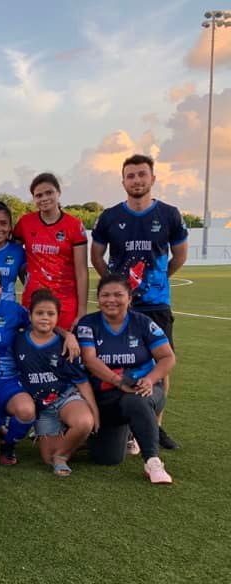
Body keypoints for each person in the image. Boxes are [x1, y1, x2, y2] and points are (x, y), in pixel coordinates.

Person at [90, 153, 188, 451]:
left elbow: (179, 256)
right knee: (116, 361)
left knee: (160, 364)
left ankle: (153, 427)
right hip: (120, 307)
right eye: (130, 176)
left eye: (142, 174)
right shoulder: (109, 217)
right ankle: (119, 421)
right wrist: (117, 289)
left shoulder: (169, 214)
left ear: (152, 178)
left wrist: (158, 280)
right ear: (123, 182)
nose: (136, 180)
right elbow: (97, 257)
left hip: (156, 305)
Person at [0, 266, 79, 468]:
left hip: (8, 383)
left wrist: (67, 334)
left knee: (26, 410)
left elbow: (41, 322)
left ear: (1, 288)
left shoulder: (14, 310)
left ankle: (9, 446)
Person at [76, 275, 176, 483]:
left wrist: (149, 380)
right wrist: (118, 381)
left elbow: (167, 357)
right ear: (98, 298)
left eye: (118, 295)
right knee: (107, 458)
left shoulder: (142, 322)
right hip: (106, 395)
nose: (111, 300)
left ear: (129, 298)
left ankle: (152, 462)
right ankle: (129, 431)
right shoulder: (88, 324)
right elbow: (89, 360)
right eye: (105, 295)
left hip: (142, 390)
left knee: (135, 401)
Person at [14, 289, 98, 476]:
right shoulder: (18, 339)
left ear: (58, 317)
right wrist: (67, 333)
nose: (45, 318)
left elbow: (82, 381)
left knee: (84, 422)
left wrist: (95, 413)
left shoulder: (65, 344)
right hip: (42, 408)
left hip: (65, 398)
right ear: (30, 315)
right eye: (39, 313)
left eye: (51, 314)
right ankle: (78, 440)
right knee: (47, 458)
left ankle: (62, 456)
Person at [12, 173, 88, 331]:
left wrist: (82, 311)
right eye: (39, 195)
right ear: (34, 198)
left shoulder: (74, 225)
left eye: (49, 192)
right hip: (33, 299)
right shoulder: (25, 222)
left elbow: (81, 271)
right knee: (34, 343)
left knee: (64, 343)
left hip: (65, 300)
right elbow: (11, 253)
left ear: (58, 193)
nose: (44, 198)